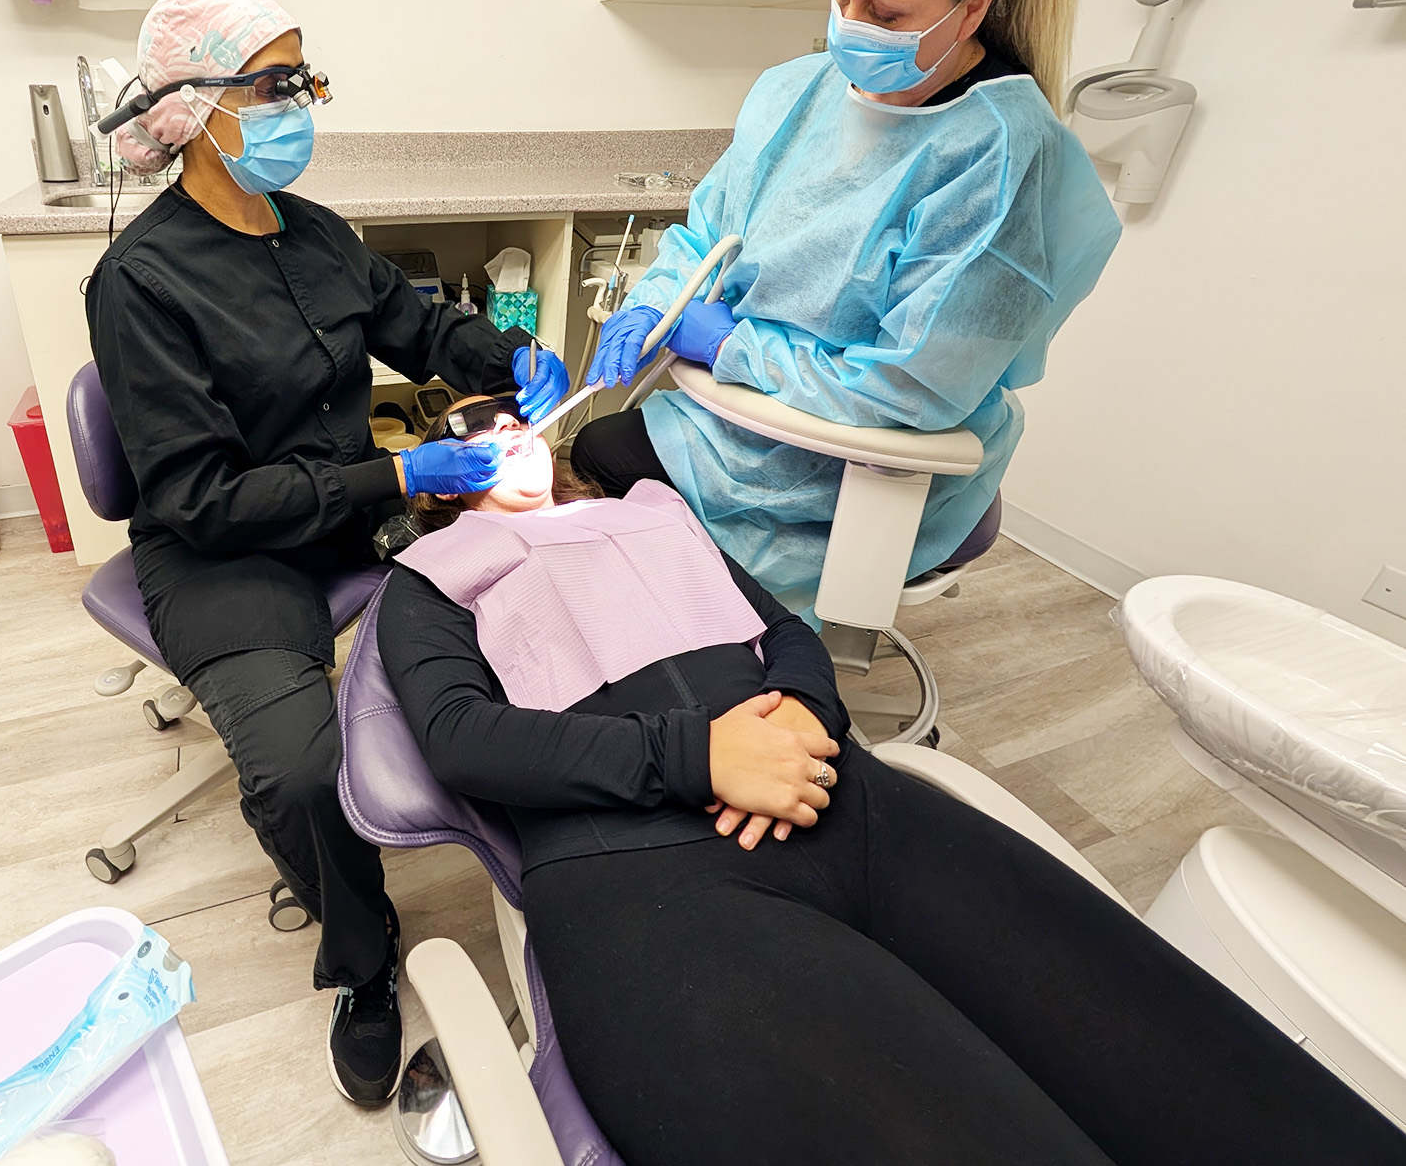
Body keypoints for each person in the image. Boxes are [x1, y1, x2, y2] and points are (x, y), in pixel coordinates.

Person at [376, 396, 1406, 1166]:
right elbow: (465, 740)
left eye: (512, 419)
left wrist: (804, 720)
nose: (502, 435)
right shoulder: (431, 581)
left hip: (844, 797)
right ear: (437, 482)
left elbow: (785, 631)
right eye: (471, 434)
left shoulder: (654, 513)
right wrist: (695, 755)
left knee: (1208, 1072)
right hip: (648, 878)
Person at [84, 0, 568, 1107]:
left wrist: (508, 351)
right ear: (193, 108)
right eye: (275, 84)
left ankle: (554, 863)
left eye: (305, 79)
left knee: (523, 597)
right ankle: (361, 962)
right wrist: (400, 474)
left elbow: (418, 326)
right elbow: (202, 497)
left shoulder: (316, 234)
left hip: (348, 505)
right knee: (305, 773)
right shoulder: (140, 281)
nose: (300, 103)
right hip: (225, 551)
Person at [575, 0, 1123, 603]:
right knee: (601, 444)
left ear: (976, 6)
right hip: (747, 417)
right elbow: (706, 234)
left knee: (621, 481)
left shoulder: (1000, 158)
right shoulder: (797, 91)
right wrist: (657, 302)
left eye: (886, 11)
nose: (849, 27)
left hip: (858, 463)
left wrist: (733, 346)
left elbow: (908, 392)